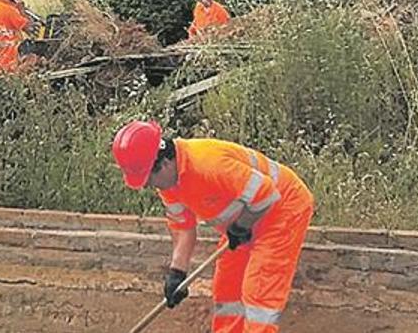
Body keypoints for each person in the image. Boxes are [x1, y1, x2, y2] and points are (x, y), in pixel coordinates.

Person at [111, 120, 314, 332]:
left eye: (148, 179)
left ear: (164, 163)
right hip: (245, 220)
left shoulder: (208, 163)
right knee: (227, 287)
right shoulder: (169, 184)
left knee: (259, 290)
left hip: (282, 209)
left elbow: (267, 195)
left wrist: (241, 227)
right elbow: (183, 228)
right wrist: (177, 274)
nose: (149, 185)